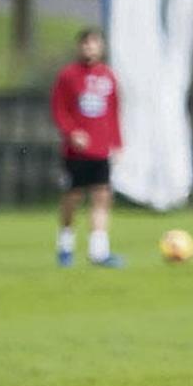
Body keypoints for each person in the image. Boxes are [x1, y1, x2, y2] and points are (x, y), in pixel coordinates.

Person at [50, 28, 124, 268]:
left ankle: (98, 252)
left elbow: (113, 112)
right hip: (76, 152)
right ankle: (65, 245)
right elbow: (59, 110)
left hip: (101, 150)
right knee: (73, 198)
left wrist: (117, 142)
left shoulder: (109, 76)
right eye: (85, 44)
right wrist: (72, 133)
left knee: (102, 197)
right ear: (79, 47)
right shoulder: (68, 76)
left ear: (101, 47)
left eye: (93, 43)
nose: (89, 48)